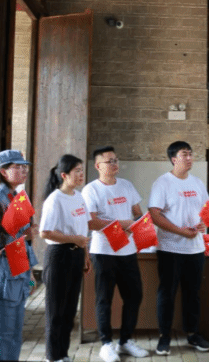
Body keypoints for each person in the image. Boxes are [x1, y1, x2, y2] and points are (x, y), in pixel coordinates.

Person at [82, 146, 149, 362]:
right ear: (97, 166)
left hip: (127, 250)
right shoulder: (91, 190)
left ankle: (125, 341)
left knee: (134, 295)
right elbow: (91, 222)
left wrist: (135, 224)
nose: (114, 164)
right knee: (104, 298)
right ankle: (106, 344)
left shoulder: (126, 186)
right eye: (109, 161)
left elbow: (137, 213)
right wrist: (122, 224)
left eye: (116, 160)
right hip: (104, 252)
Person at [148, 141, 209, 356]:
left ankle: (193, 334)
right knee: (167, 294)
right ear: (174, 159)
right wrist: (180, 231)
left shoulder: (197, 183)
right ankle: (164, 337)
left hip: (195, 249)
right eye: (185, 154)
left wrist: (204, 223)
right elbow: (154, 214)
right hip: (170, 249)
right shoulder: (163, 183)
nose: (189, 158)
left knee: (193, 294)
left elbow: (207, 209)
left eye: (191, 154)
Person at [0, 149, 38, 362]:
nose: (24, 170)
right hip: (2, 269)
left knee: (12, 331)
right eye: (17, 167)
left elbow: (19, 237)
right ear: (3, 172)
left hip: (16, 267)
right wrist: (20, 234)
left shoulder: (15, 195)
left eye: (25, 167)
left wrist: (29, 272)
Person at [39, 155, 91, 362]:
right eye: (76, 171)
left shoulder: (79, 197)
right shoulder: (55, 199)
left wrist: (85, 255)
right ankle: (53, 356)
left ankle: (63, 353)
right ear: (64, 175)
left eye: (81, 170)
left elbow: (83, 229)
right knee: (56, 310)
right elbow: (45, 232)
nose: (81, 174)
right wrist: (74, 240)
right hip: (59, 256)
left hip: (76, 254)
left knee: (69, 310)